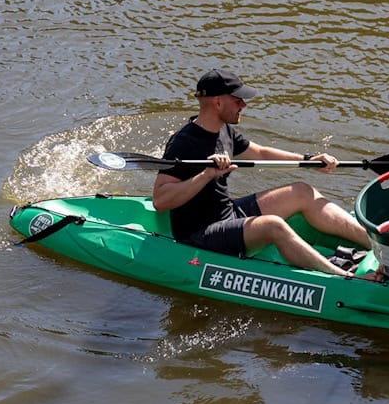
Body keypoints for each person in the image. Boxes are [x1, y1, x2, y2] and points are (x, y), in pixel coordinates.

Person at [152, 68, 374, 278]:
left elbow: (260, 152)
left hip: (227, 214)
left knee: (301, 191)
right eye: (237, 100)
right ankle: (343, 277)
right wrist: (206, 175)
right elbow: (160, 200)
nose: (244, 105)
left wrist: (309, 161)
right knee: (273, 225)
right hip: (200, 233)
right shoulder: (183, 143)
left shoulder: (224, 129)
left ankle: (378, 244)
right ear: (217, 102)